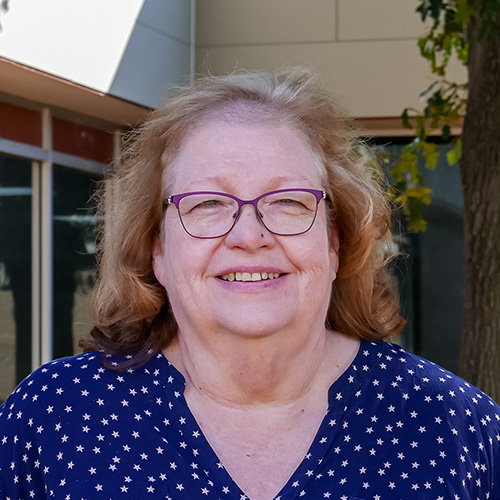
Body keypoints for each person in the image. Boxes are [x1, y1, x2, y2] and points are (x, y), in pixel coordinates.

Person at [1, 68, 499, 500]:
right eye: (207, 204)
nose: (249, 236)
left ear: (334, 241)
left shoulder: (454, 428)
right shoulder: (55, 418)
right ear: (157, 248)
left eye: (288, 202)